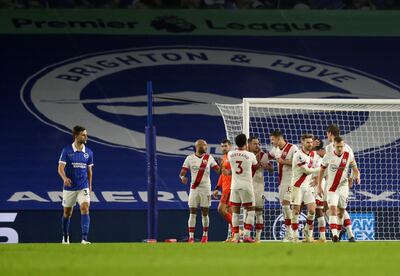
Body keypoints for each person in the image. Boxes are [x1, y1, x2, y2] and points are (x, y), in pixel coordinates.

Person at [317, 136, 360, 242]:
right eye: (338, 146)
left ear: (344, 146)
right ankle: (334, 235)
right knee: (333, 209)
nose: (340, 148)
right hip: (332, 188)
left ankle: (339, 233)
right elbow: (321, 171)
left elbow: (355, 169)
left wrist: (356, 177)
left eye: (341, 146)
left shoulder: (348, 155)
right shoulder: (328, 155)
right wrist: (319, 185)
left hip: (343, 187)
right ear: (334, 146)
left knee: (341, 212)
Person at [58, 125, 94, 244]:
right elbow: (60, 168)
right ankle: (65, 236)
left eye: (86, 134)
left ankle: (84, 238)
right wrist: (64, 178)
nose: (86, 137)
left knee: (85, 208)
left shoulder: (89, 152)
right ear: (76, 136)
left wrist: (89, 186)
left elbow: (89, 171)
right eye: (83, 135)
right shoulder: (66, 151)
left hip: (83, 187)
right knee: (67, 213)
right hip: (69, 188)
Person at [180, 139, 220, 243]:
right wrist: (182, 178)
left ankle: (205, 235)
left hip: (206, 188)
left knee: (205, 213)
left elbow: (218, 171)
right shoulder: (189, 158)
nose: (206, 147)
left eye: (206, 145)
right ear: (198, 146)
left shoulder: (209, 158)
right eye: (204, 146)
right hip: (194, 189)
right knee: (192, 212)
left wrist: (222, 165)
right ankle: (191, 237)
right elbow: (182, 173)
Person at [325, 124, 357, 241]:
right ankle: (345, 233)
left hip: (331, 183)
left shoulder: (329, 148)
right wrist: (352, 178)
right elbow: (353, 166)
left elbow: (326, 166)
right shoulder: (348, 147)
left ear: (330, 134)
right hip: (337, 182)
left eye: (327, 134)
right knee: (337, 209)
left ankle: (338, 233)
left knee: (332, 209)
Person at [269, 129, 298, 242]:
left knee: (286, 206)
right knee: (284, 207)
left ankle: (291, 233)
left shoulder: (293, 148)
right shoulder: (275, 149)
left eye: (273, 140)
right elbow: (268, 156)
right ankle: (289, 233)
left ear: (279, 139)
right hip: (281, 182)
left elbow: (298, 163)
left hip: (291, 180)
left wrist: (284, 161)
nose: (271, 142)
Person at [228, 133, 258, 243]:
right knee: (250, 211)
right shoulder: (250, 155)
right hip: (246, 186)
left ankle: (236, 237)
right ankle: (246, 235)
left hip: (234, 187)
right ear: (246, 143)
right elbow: (255, 165)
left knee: (235, 212)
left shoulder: (230, 154)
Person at [290, 134, 320, 242]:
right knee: (296, 212)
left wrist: (316, 178)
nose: (310, 144)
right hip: (297, 186)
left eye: (311, 142)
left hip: (308, 187)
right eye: (308, 142)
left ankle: (308, 234)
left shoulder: (313, 154)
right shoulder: (298, 155)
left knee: (312, 211)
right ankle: (294, 237)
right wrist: (319, 169)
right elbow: (307, 171)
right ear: (302, 142)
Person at [247, 136, 273, 242]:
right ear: (249, 144)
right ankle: (246, 235)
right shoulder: (246, 155)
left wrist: (267, 167)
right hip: (247, 186)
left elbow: (271, 169)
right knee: (247, 212)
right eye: (255, 143)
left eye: (258, 143)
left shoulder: (263, 155)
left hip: (259, 187)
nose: (257, 145)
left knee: (258, 212)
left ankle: (258, 238)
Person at [212, 139, 233, 241]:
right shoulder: (223, 158)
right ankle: (235, 236)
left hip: (230, 187)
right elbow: (222, 175)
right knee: (230, 212)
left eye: (225, 146)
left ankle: (238, 231)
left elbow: (238, 172)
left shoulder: (233, 157)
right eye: (222, 146)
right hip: (225, 187)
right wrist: (217, 188)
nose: (224, 148)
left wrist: (230, 172)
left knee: (221, 209)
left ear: (230, 146)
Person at [311, 137, 328, 242]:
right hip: (312, 185)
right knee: (316, 210)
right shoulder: (309, 155)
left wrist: (316, 181)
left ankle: (320, 236)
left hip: (317, 185)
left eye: (313, 141)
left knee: (317, 210)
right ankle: (319, 236)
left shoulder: (318, 157)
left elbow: (320, 171)